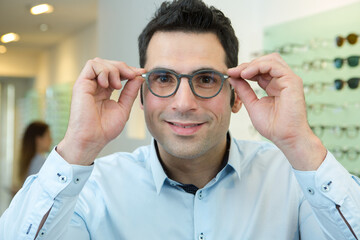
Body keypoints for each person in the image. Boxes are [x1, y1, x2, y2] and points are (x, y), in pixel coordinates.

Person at [1, 0, 359, 239]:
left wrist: (301, 143)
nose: (184, 103)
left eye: (205, 79)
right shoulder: (94, 191)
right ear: (140, 94)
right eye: (163, 79)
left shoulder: (293, 182)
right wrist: (77, 146)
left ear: (236, 94)